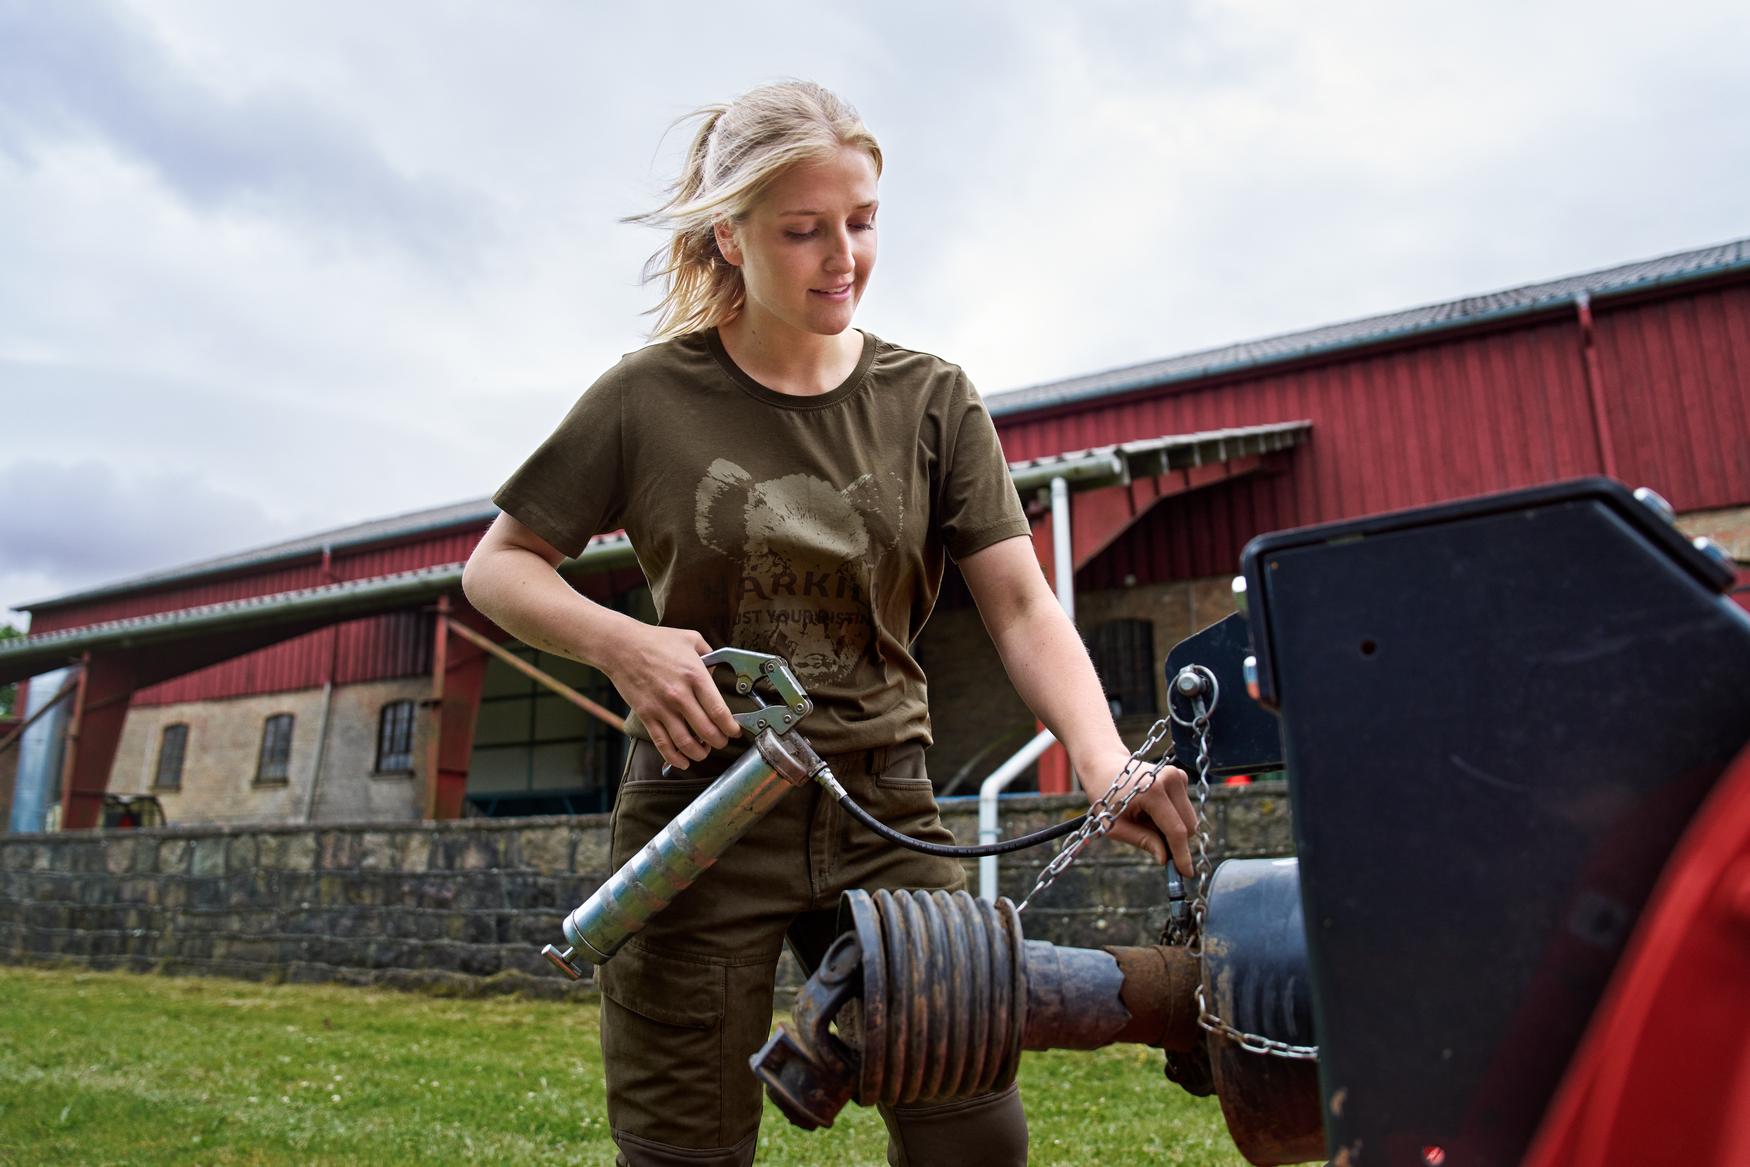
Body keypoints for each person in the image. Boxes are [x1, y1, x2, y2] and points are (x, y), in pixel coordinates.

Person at [462, 80, 1197, 1167]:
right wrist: (622, 644)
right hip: (698, 818)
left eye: (860, 222)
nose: (841, 255)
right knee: (683, 1153)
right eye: (803, 231)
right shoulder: (644, 398)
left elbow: (1021, 603)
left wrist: (1102, 763)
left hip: (883, 810)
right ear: (729, 235)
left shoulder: (931, 399)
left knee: (972, 1137)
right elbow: (499, 569)